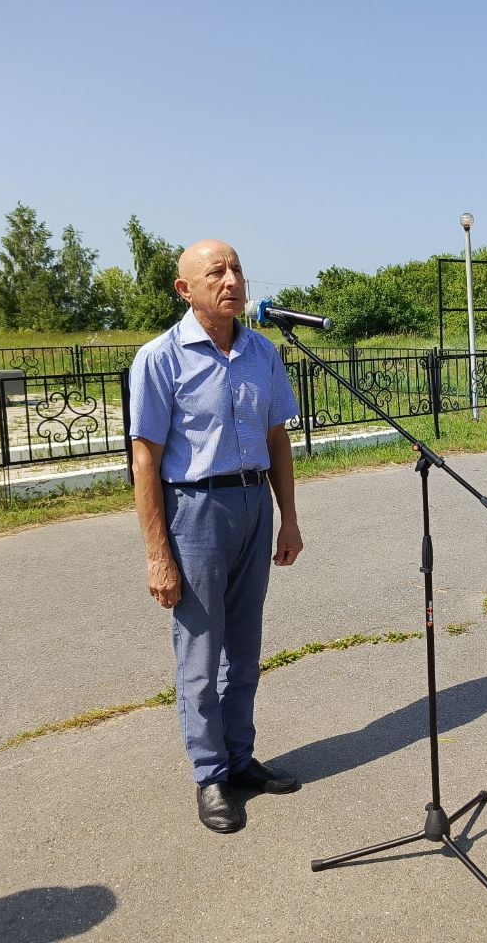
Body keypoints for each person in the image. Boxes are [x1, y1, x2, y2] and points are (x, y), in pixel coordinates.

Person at [129, 239, 303, 833]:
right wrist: (158, 553)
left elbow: (277, 439)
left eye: (236, 269)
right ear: (186, 290)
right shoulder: (160, 359)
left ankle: (239, 756)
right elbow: (145, 462)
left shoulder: (263, 353)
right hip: (195, 511)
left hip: (254, 504)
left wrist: (290, 518)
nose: (231, 279)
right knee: (200, 656)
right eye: (216, 272)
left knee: (246, 650)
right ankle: (210, 776)